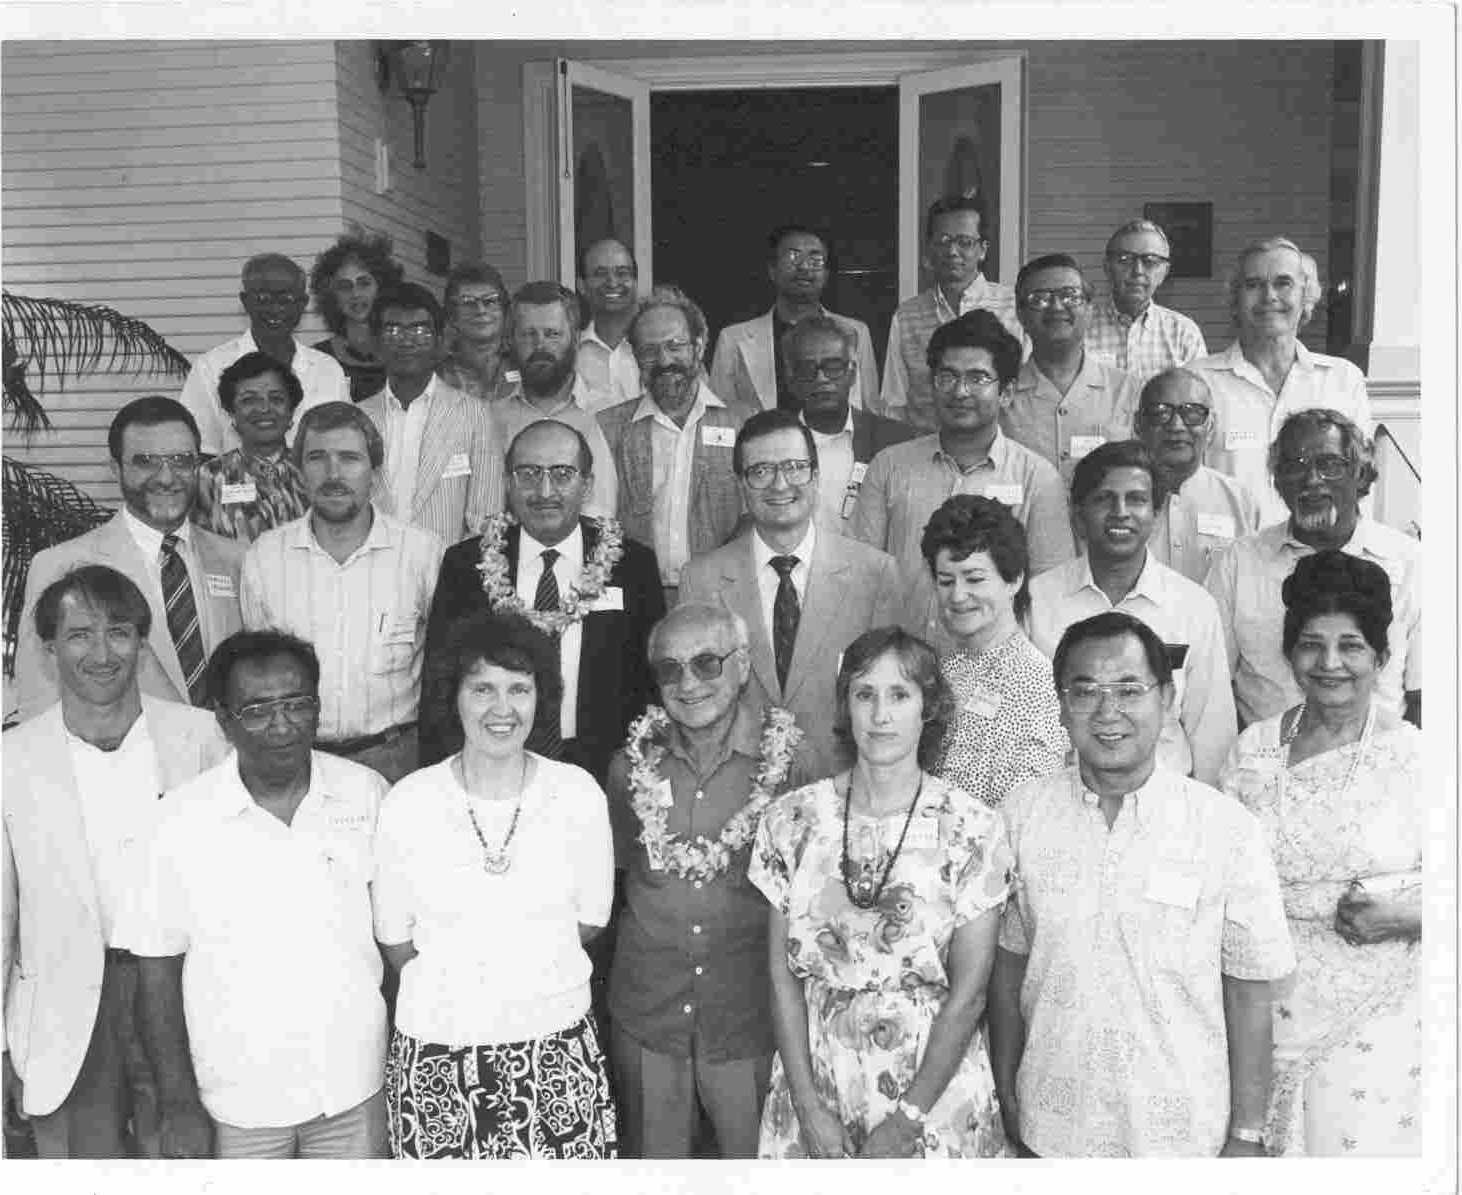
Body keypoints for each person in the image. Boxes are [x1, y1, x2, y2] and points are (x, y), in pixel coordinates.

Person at [987, 611, 1295, 1157]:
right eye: (1085, 692)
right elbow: (1009, 964)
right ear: (1060, 706)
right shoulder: (1021, 815)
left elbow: (1249, 989)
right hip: (1054, 1126)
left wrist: (1247, 1133)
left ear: (1167, 699)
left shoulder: (1224, 829)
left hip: (1183, 1137)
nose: (1107, 712)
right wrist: (1007, 1089)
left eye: (1129, 690)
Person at [748, 627, 1015, 1158]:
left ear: (928, 708)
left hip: (933, 1087)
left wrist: (908, 1119)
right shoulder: (790, 820)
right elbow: (781, 977)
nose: (880, 714)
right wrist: (807, 1104)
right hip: (818, 1079)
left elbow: (970, 995)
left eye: (900, 695)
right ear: (845, 706)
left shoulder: (972, 827)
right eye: (864, 694)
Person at [124, 630, 390, 1159]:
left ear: (318, 708)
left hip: (354, 1089)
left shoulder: (367, 794)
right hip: (238, 1103)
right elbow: (155, 970)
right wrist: (178, 1103)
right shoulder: (176, 822)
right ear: (223, 720)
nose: (282, 724)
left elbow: (396, 935)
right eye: (258, 710)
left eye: (297, 704)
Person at [373, 610, 617, 1159]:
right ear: (453, 697)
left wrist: (506, 965)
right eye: (482, 688)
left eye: (518, 689)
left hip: (554, 1049)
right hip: (439, 1054)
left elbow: (591, 919)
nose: (501, 708)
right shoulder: (408, 802)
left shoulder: (577, 794)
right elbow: (394, 938)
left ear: (540, 697)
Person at [2, 566, 226, 1158]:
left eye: (119, 632)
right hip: (64, 1010)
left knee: (189, 1166)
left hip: (184, 994)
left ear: (142, 643)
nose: (102, 654)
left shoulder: (203, 738)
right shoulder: (11, 759)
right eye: (80, 635)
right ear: (49, 650)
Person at [1218, 551, 1421, 1155]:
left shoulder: (1418, 757)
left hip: (1383, 1016)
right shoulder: (1254, 748)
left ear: (1381, 658)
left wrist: (1408, 916)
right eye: (1312, 645)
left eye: (1351, 646)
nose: (1330, 663)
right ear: (1289, 654)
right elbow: (1219, 875)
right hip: (1262, 1008)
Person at [605, 603, 805, 1158]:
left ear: (742, 666)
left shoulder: (792, 766)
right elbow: (622, 873)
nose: (688, 683)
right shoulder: (629, 767)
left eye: (706, 663)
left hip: (748, 1017)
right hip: (650, 1013)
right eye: (669, 669)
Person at [420, 419, 664, 782]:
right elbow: (439, 685)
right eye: (529, 474)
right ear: (508, 484)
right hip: (490, 765)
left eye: (562, 474)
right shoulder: (466, 565)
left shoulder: (632, 566)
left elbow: (651, 684)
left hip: (604, 769)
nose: (545, 491)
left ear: (587, 485)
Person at [678, 409, 905, 779]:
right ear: (741, 484)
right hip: (738, 784)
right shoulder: (701, 580)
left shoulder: (875, 573)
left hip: (843, 785)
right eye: (761, 471)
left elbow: (890, 699)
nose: (780, 484)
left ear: (816, 476)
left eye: (795, 467)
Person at [240, 402, 444, 783]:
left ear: (375, 472)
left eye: (349, 458)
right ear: (299, 471)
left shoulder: (422, 554)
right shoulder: (264, 558)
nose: (333, 474)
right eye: (317, 458)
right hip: (299, 763)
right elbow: (257, 673)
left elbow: (445, 667)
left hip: (399, 760)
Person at [851, 310, 1075, 647]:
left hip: (993, 670)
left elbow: (1050, 594)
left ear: (1006, 392)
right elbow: (860, 575)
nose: (960, 391)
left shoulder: (1037, 478)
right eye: (948, 376)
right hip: (901, 665)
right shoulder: (889, 467)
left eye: (978, 378)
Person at [15, 396, 244, 719]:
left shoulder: (238, 560)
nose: (166, 478)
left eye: (181, 460)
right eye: (146, 462)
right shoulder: (59, 566)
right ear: (116, 468)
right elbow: (39, 701)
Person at [1026, 440, 1236, 784]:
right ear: (1078, 516)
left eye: (1136, 499)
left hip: (1166, 801)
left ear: (1156, 514)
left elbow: (1212, 731)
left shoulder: (1193, 607)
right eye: (1104, 499)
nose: (1120, 512)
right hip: (1063, 797)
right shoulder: (1037, 601)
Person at [1204, 408, 1420, 728]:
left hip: (1381, 754)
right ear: (1277, 481)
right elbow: (1210, 688)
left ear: (1360, 473)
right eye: (1295, 466)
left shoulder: (1411, 562)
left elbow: (1426, 698)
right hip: (1265, 754)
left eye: (1329, 464)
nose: (1312, 480)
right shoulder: (1239, 563)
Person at [1190, 236, 1372, 523]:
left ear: (1305, 297)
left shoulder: (1342, 380)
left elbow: (1361, 483)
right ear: (1235, 300)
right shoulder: (1197, 382)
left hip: (1317, 548)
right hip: (1230, 549)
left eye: (1283, 283)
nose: (1269, 296)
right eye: (1253, 285)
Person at [599, 285, 745, 599]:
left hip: (721, 597)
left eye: (675, 345)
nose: (664, 360)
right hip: (640, 600)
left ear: (699, 346)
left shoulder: (741, 425)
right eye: (649, 350)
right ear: (635, 357)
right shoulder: (607, 430)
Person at [922, 495, 1067, 808]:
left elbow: (1028, 811)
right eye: (946, 581)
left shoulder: (1037, 684)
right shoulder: (942, 670)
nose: (957, 596)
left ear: (1014, 581)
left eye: (974, 579)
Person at [358, 282, 504, 545]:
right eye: (393, 330)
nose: (406, 341)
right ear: (376, 343)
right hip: (373, 565)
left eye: (420, 330)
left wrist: (460, 569)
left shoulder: (474, 415)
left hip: (446, 566)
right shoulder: (358, 418)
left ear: (439, 340)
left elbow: (486, 518)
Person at [178, 253, 349, 456]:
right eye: (263, 299)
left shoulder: (328, 370)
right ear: (245, 301)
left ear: (302, 304)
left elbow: (346, 442)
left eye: (286, 299)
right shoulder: (211, 368)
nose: (275, 309)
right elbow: (198, 450)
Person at [881, 194, 1025, 430]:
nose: (952, 251)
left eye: (964, 242)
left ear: (983, 250)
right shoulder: (907, 317)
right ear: (929, 248)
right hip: (926, 447)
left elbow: (1026, 395)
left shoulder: (1015, 307)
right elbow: (894, 404)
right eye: (943, 241)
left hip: (1000, 447)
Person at [709, 224, 879, 417]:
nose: (804, 267)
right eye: (793, 257)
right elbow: (717, 420)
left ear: (826, 275)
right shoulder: (733, 339)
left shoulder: (856, 332)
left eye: (815, 259)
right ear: (772, 270)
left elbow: (870, 411)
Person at [1003, 253, 1141, 484]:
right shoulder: (1002, 397)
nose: (1056, 307)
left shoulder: (1130, 392)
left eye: (1070, 296)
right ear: (1020, 314)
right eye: (1040, 299)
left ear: (1089, 309)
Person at [492, 280, 620, 518]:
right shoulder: (491, 421)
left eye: (552, 334)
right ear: (511, 341)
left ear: (576, 339)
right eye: (528, 334)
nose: (540, 345)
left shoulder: (608, 415)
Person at [782, 314, 915, 537]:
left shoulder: (894, 441)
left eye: (833, 367)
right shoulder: (773, 445)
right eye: (807, 369)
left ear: (852, 373)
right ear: (791, 379)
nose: (822, 378)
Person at [1134, 368, 1261, 584]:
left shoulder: (1240, 502)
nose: (1176, 425)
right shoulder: (1118, 499)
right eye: (1161, 412)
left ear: (1211, 427)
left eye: (1192, 413)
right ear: (1138, 424)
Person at [191, 351, 311, 542]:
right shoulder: (208, 478)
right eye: (249, 400)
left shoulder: (313, 470)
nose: (264, 408)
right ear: (231, 412)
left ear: (291, 411)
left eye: (276, 399)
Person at [1085, 219, 1208, 382]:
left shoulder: (1183, 334)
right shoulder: (1081, 328)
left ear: (1164, 272)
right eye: (1125, 259)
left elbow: (1199, 395)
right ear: (1107, 268)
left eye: (1150, 261)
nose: (1138, 271)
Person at [307, 231, 405, 401]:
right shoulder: (317, 360)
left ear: (382, 287)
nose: (355, 294)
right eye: (345, 286)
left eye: (364, 284)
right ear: (332, 296)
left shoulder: (405, 352)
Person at [576, 239, 643, 411]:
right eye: (600, 274)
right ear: (581, 285)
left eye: (622, 273)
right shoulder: (570, 354)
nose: (612, 283)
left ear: (635, 282)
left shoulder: (657, 349)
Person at [436, 263, 513, 400]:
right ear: (452, 316)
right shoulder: (434, 371)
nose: (481, 310)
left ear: (504, 310)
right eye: (468, 303)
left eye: (490, 301)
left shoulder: (523, 363)